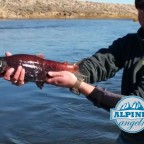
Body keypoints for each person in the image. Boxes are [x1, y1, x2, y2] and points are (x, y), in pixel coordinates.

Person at [3, 0, 144, 143]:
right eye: (142, 5)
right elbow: (96, 65)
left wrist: (77, 85)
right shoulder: (129, 44)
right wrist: (36, 74)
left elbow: (135, 112)